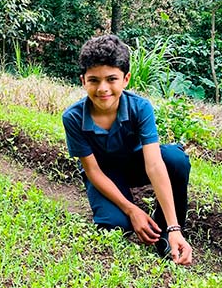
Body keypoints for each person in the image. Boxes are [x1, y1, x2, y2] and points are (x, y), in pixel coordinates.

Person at [62, 35, 193, 265]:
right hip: (104, 174)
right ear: (83, 81)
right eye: (94, 80)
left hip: (136, 165)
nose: (103, 88)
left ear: (126, 79)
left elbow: (153, 164)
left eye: (111, 79)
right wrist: (132, 210)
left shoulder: (140, 108)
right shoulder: (73, 118)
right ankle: (126, 212)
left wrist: (174, 227)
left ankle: (166, 231)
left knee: (176, 159)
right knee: (114, 228)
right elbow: (92, 171)